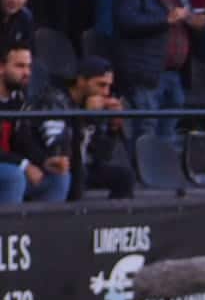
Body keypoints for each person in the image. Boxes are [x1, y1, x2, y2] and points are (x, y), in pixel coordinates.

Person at [113, 0, 201, 140]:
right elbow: (126, 21)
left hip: (174, 71)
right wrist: (165, 20)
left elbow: (190, 19)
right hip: (145, 71)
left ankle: (163, 165)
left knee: (169, 127)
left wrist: (196, 22)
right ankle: (140, 169)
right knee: (146, 125)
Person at [20, 55, 134, 199]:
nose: (106, 92)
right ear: (81, 81)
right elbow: (59, 150)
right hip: (51, 165)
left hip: (83, 166)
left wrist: (113, 128)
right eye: (101, 85)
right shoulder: (54, 101)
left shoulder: (93, 104)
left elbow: (101, 156)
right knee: (76, 170)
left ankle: (118, 221)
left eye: (109, 86)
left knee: (124, 176)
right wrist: (84, 117)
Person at [0, 46, 72, 204]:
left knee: (58, 175)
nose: (27, 73)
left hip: (14, 166)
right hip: (10, 170)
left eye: (29, 67)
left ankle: (48, 228)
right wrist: (24, 165)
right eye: (19, 66)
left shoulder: (20, 101)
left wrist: (44, 161)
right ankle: (11, 228)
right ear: (2, 68)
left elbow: (24, 142)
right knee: (14, 176)